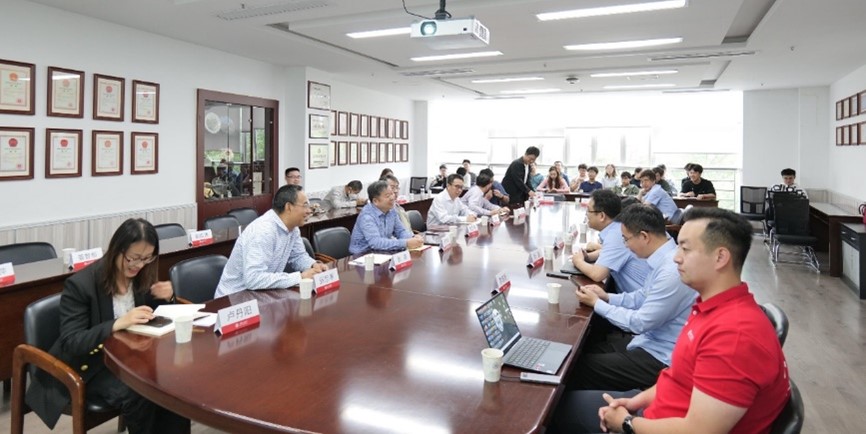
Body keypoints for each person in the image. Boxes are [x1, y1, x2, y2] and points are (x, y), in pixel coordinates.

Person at [551, 208, 790, 434]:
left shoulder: (735, 336)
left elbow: (699, 431)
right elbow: (678, 375)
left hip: (658, 424)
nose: (675, 258)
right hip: (658, 409)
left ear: (720, 257)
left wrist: (627, 423)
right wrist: (637, 401)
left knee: (554, 409)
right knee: (560, 397)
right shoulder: (712, 307)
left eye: (685, 249)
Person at [25, 218, 190, 434]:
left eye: (146, 258)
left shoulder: (141, 275)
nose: (138, 265)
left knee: (173, 380)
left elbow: (154, 315)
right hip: (91, 365)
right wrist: (117, 324)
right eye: (133, 258)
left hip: (131, 357)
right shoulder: (81, 285)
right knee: (140, 391)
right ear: (117, 249)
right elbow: (73, 342)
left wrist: (169, 298)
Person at [569, 204, 694, 391]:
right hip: (649, 340)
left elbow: (639, 323)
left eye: (626, 239)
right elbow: (642, 296)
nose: (625, 245)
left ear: (644, 236)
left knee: (577, 369)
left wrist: (597, 304)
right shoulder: (663, 258)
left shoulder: (671, 270)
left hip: (661, 357)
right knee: (584, 350)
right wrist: (607, 297)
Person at [215, 184, 328, 297]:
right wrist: (300, 277)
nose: (309, 211)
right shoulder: (263, 231)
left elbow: (298, 257)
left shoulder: (293, 228)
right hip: (234, 298)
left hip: (262, 293)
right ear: (289, 207)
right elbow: (253, 278)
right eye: (305, 205)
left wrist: (313, 265)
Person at [572, 190, 649, 294]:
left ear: (602, 216)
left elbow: (597, 274)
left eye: (588, 210)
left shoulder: (616, 234)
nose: (586, 214)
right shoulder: (618, 228)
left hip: (641, 299)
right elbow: (613, 251)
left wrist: (578, 261)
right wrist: (589, 257)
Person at [349, 181, 423, 254]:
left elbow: (400, 231)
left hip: (381, 251)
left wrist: (413, 238)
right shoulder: (367, 216)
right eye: (387, 196)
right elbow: (376, 243)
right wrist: (406, 243)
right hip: (362, 254)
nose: (392, 197)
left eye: (392, 193)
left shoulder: (392, 210)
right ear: (375, 201)